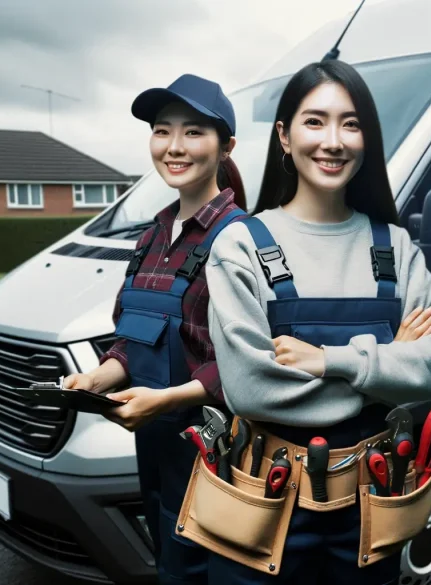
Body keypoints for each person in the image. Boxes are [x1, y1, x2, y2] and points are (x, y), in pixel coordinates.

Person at [203, 59, 431, 584]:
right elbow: (251, 389)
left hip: (372, 508)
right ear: (284, 135)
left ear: (366, 138)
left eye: (351, 123)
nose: (333, 140)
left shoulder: (396, 247)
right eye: (314, 121)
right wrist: (386, 368)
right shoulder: (240, 247)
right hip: (263, 504)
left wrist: (329, 361)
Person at [62, 73, 248, 585]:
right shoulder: (151, 237)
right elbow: (134, 336)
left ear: (225, 145)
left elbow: (246, 363)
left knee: (211, 569)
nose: (174, 146)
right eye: (162, 131)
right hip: (154, 443)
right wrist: (97, 380)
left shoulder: (241, 240)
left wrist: (163, 401)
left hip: (215, 449)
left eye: (193, 132)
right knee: (169, 561)